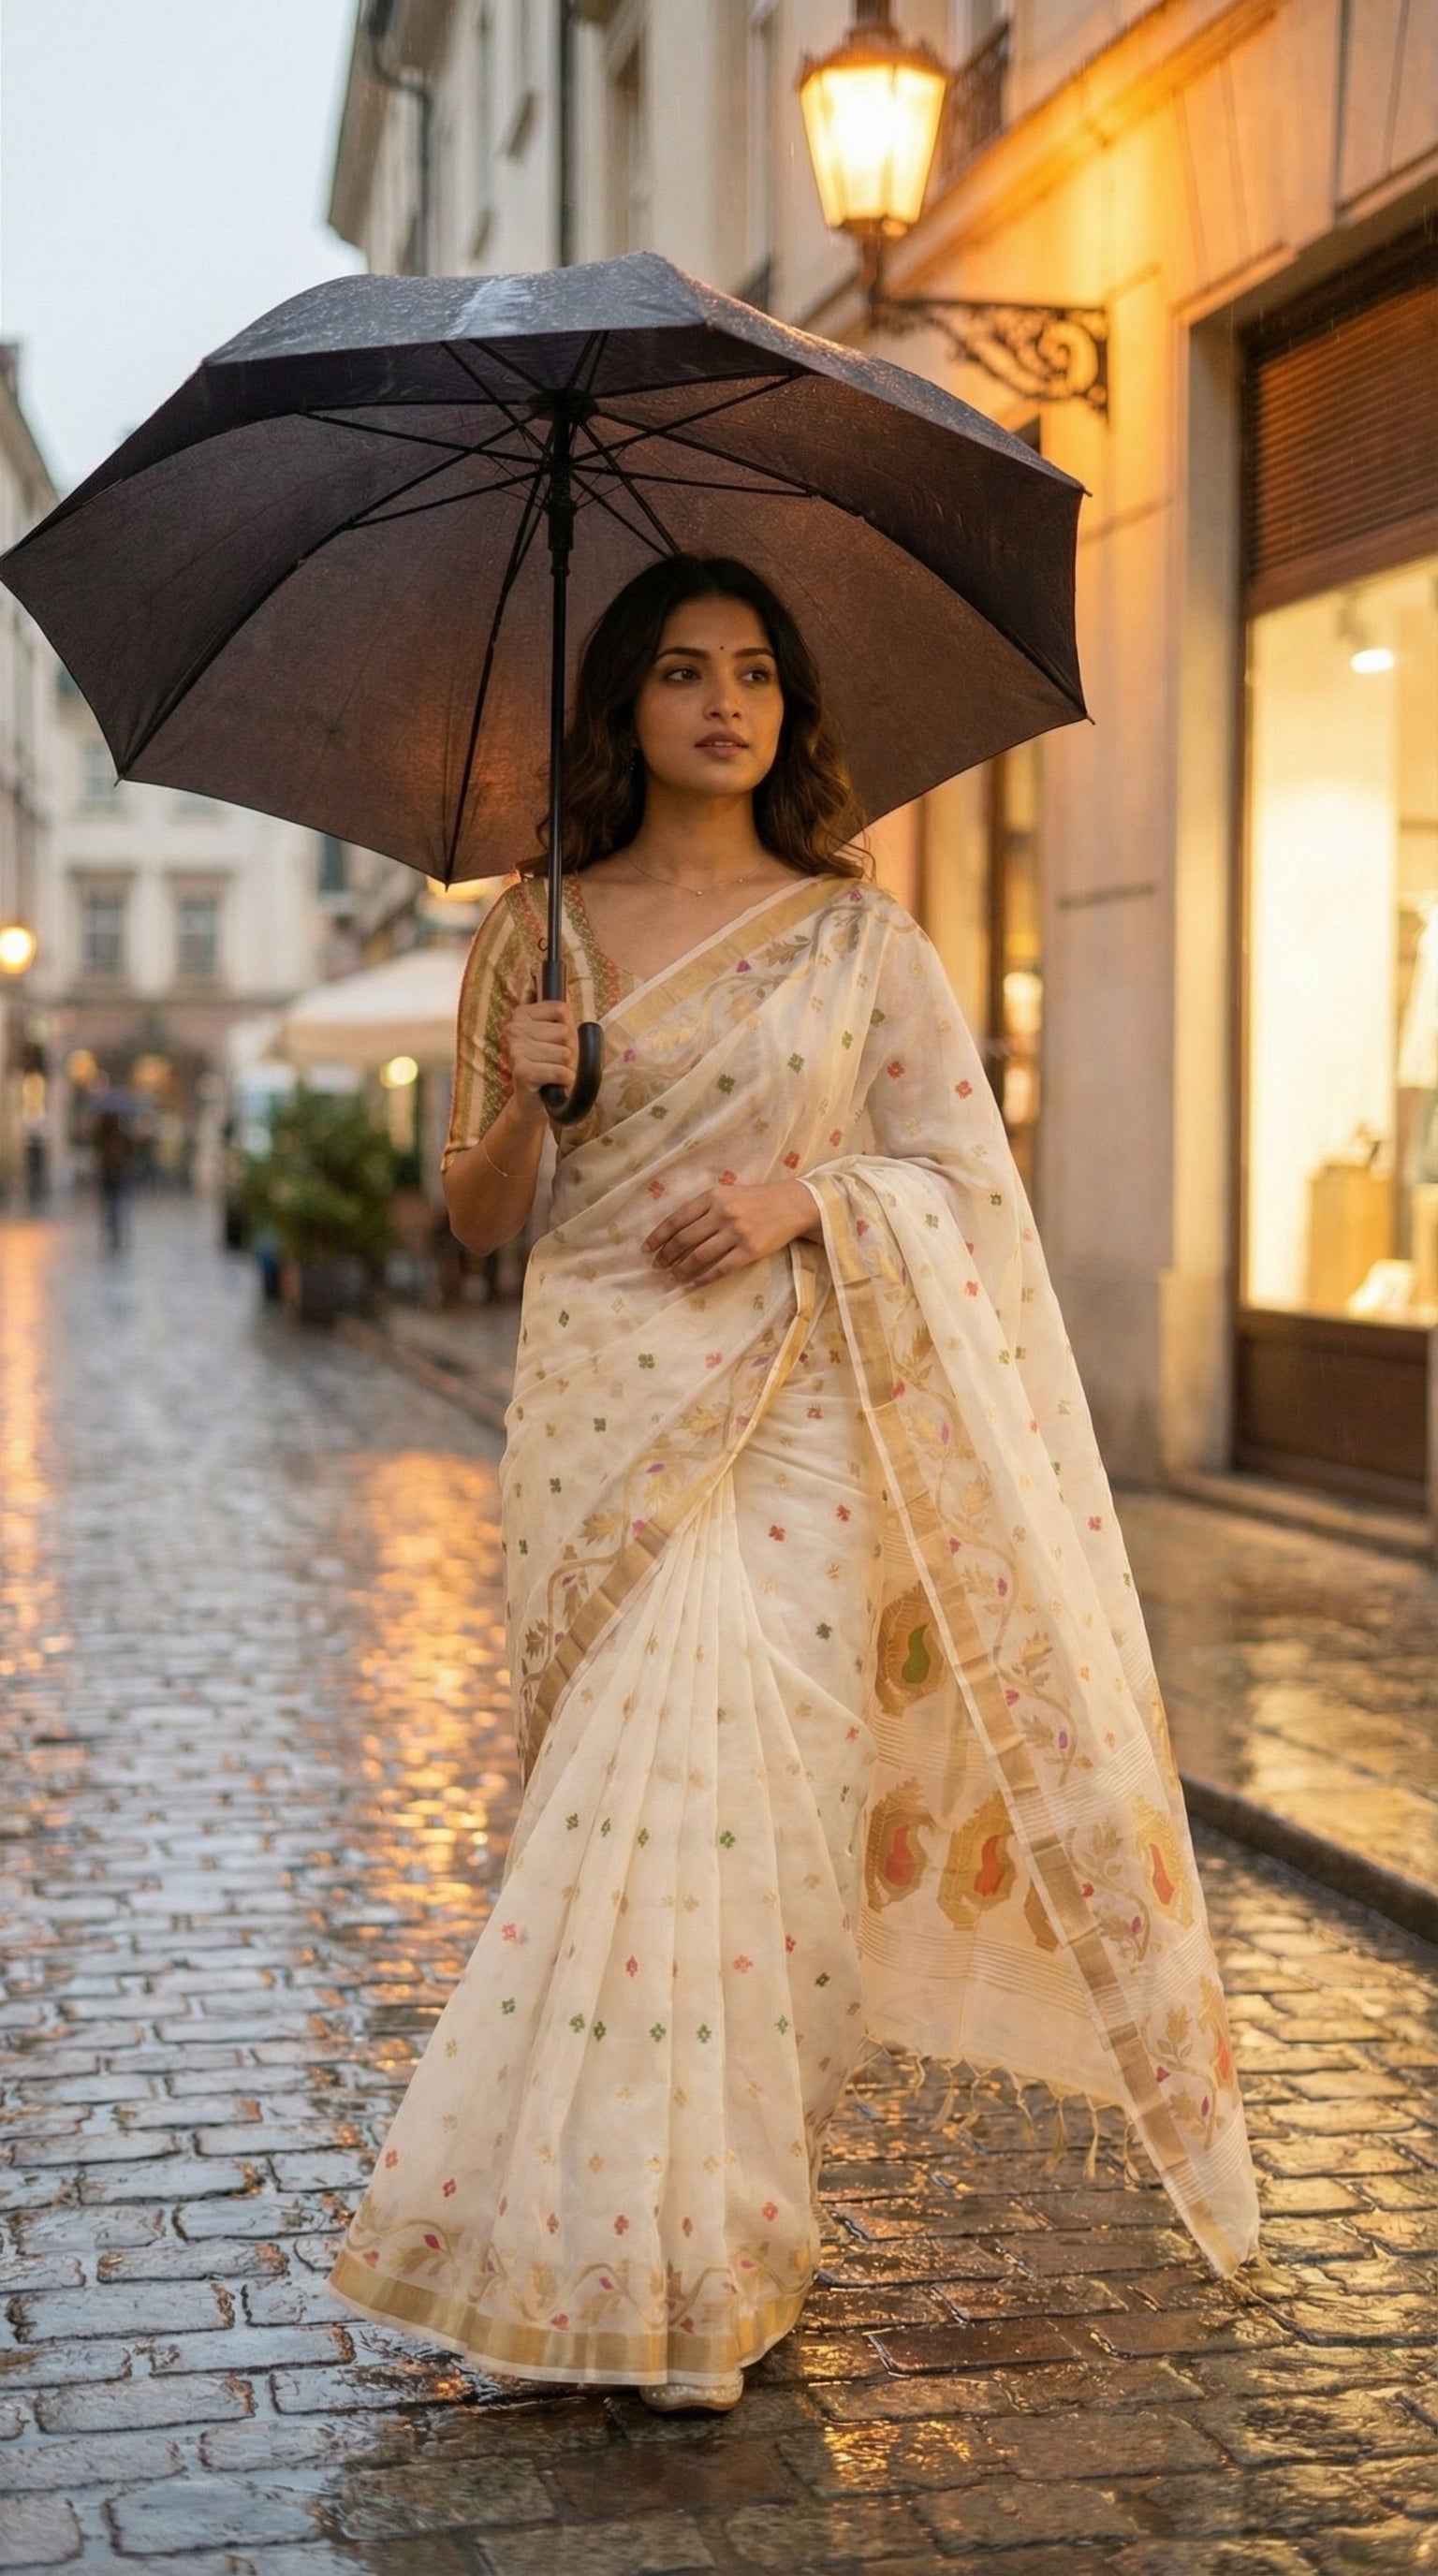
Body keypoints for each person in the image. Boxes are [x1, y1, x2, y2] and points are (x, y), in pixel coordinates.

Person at [330, 555, 1257, 2410]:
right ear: (625, 706)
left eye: (754, 671)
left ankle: (724, 2232)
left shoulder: (859, 938)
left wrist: (803, 1199)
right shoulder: (535, 926)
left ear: (789, 708)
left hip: (802, 1417)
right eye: (681, 671)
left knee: (753, 1826)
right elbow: (478, 1216)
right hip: (601, 1407)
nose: (724, 703)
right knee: (622, 1808)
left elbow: (962, 1186)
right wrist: (533, 1091)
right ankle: (600, 2252)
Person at [94, 1107, 133, 1253]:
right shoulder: (119, 1136)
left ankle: (112, 1232)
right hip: (117, 1175)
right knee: (117, 1206)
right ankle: (116, 1233)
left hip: (110, 1176)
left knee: (110, 1207)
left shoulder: (102, 1137)